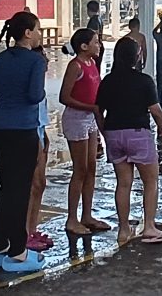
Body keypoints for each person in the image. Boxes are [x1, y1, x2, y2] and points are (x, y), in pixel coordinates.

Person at [96, 36, 162, 245]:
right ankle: (149, 226)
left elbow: (98, 110)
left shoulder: (108, 80)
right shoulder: (144, 80)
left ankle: (123, 230)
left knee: (123, 184)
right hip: (138, 134)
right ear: (137, 56)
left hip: (114, 134)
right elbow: (156, 111)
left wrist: (104, 131)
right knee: (150, 181)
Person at [0, 11, 47, 272]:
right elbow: (35, 96)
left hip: (0, 126)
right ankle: (19, 251)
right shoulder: (35, 61)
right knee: (21, 189)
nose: (41, 34)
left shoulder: (1, 58)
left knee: (6, 187)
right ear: (28, 33)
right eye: (38, 29)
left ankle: (0, 244)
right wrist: (40, 88)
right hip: (23, 128)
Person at [58, 28, 110, 236]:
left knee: (91, 168)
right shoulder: (75, 65)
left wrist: (100, 121)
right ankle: (72, 218)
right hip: (76, 119)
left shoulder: (92, 64)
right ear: (84, 46)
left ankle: (87, 215)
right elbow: (64, 97)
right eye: (96, 42)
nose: (99, 45)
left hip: (89, 119)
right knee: (80, 169)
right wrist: (91, 109)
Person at [26, 94, 54, 252]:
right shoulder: (31, 87)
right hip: (32, 134)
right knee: (32, 186)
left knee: (40, 184)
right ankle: (25, 233)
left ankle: (32, 229)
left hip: (40, 132)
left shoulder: (39, 88)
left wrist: (44, 136)